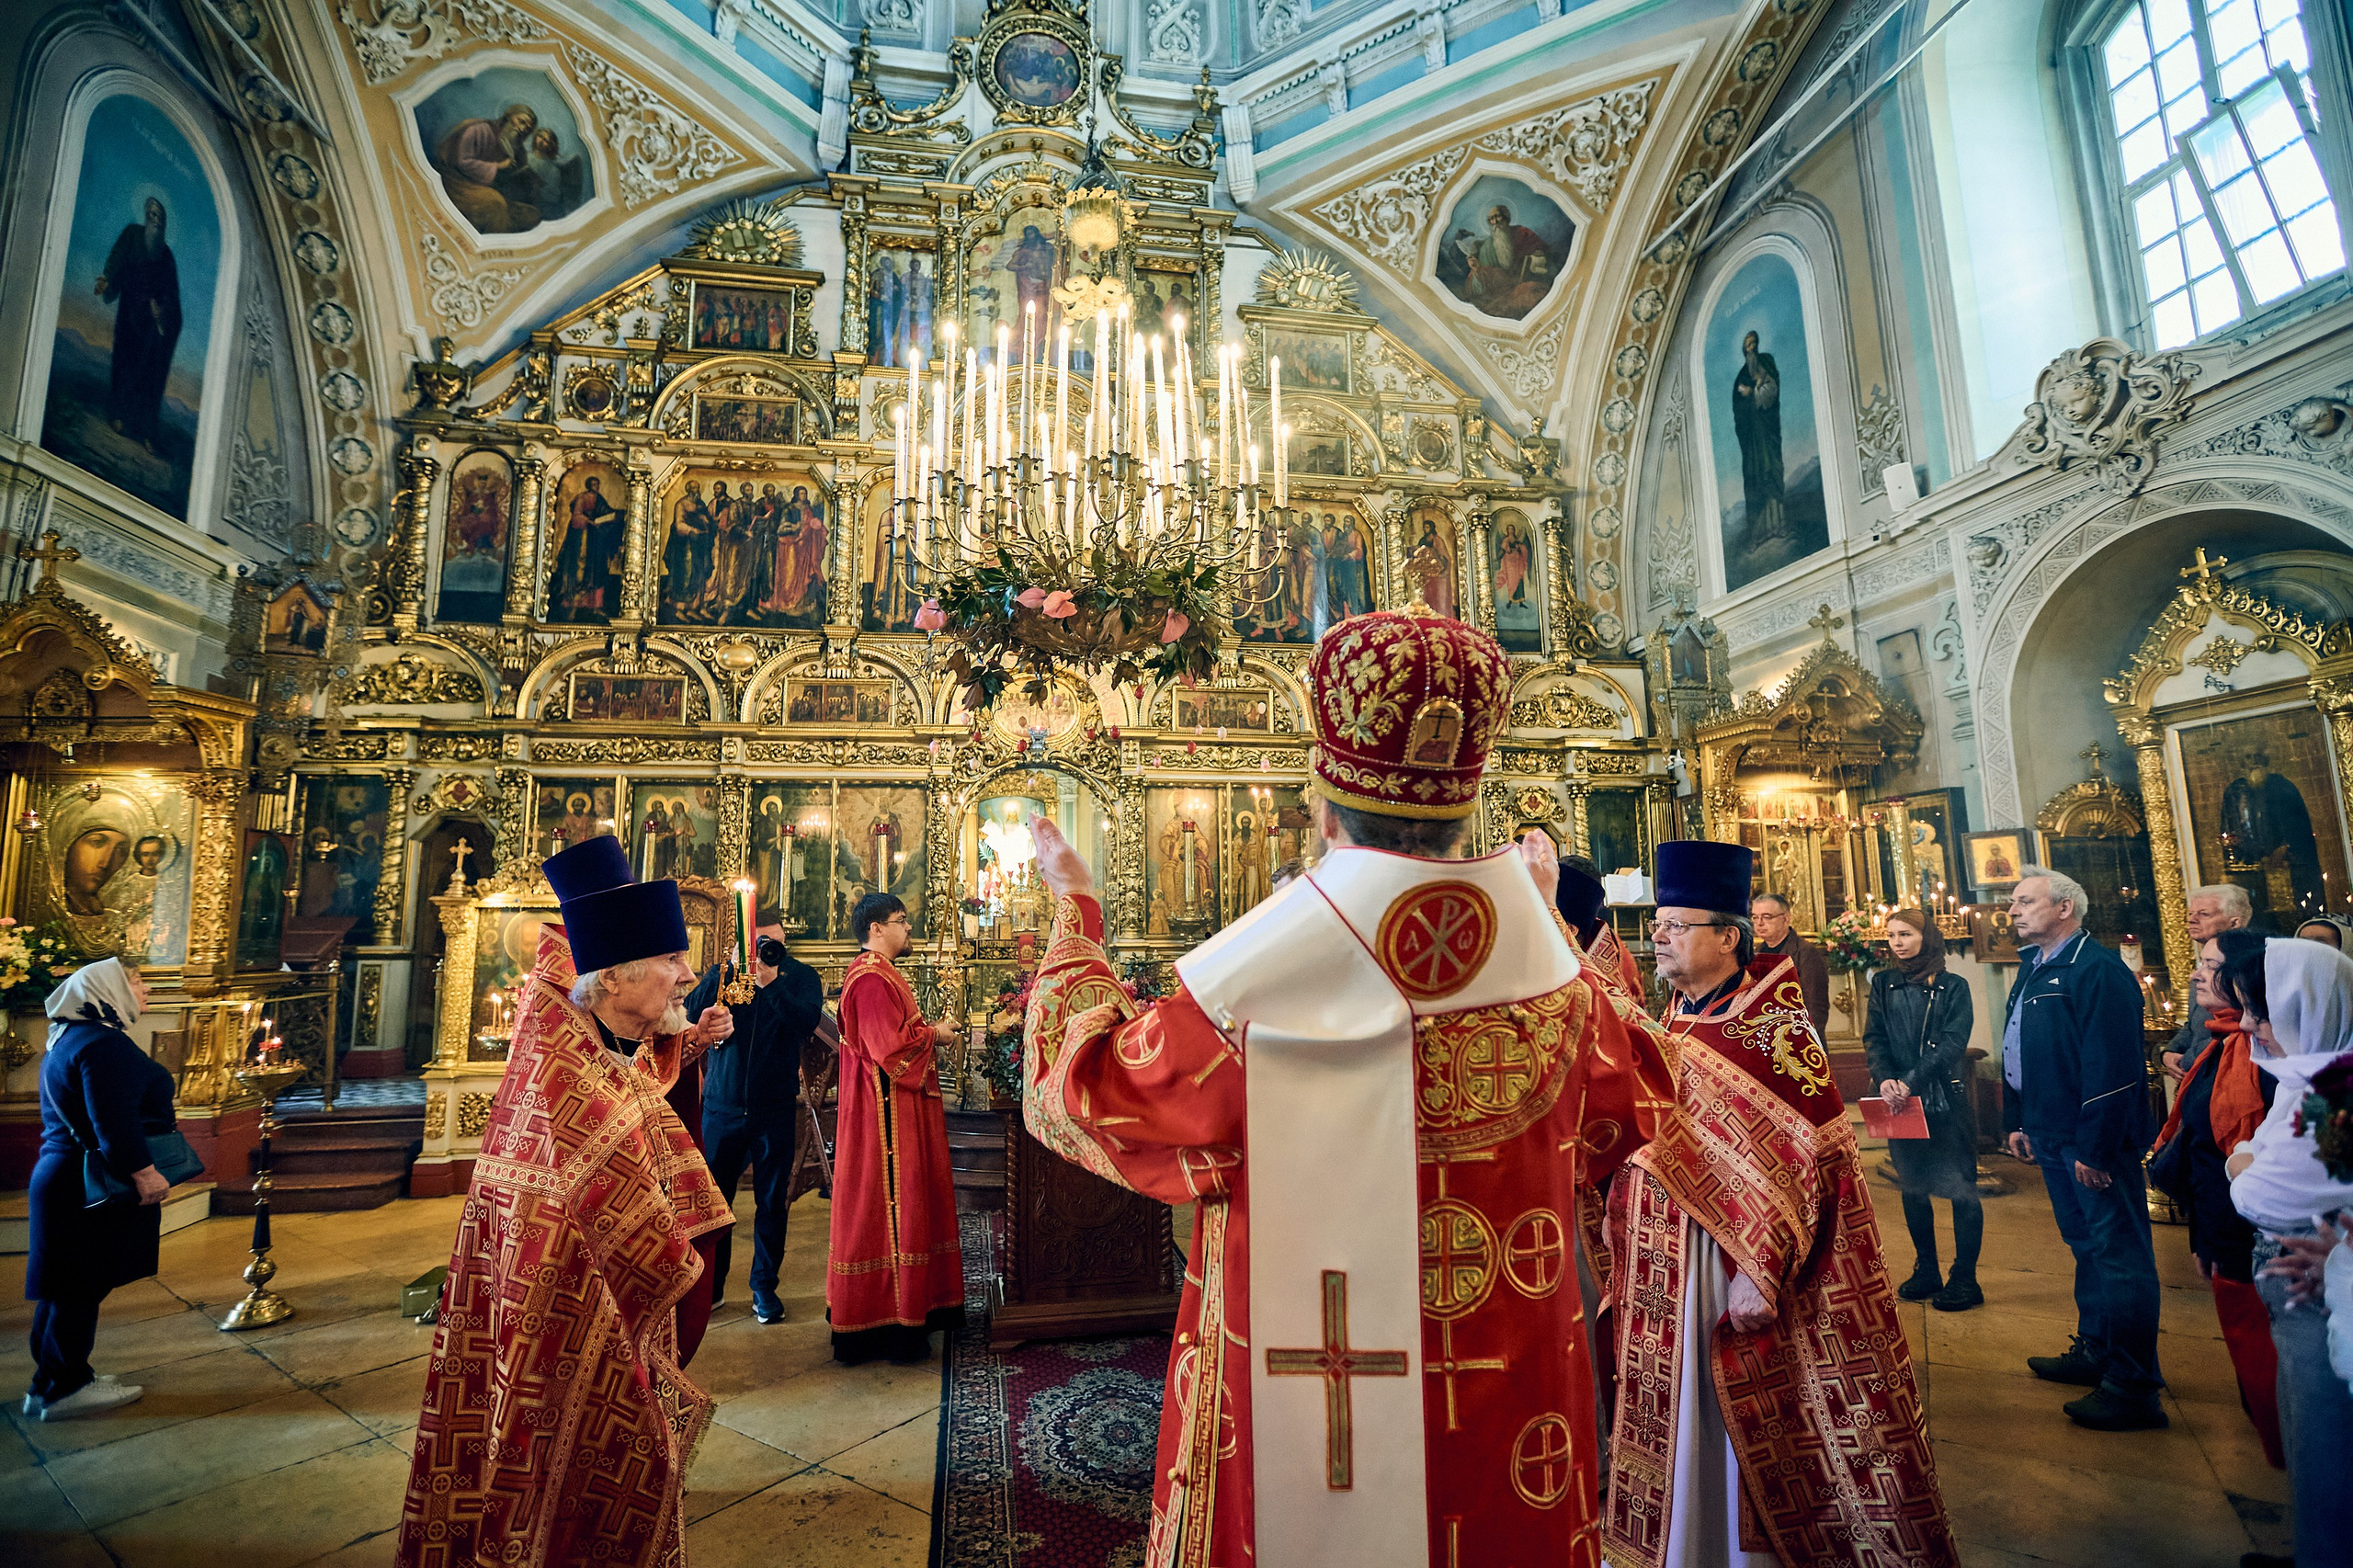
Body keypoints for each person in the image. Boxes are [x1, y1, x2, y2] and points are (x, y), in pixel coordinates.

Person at [1019, 607, 1671, 1566]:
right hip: (1513, 1389)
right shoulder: (1560, 988)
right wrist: (1547, 930)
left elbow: (1084, 1092)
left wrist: (1077, 914)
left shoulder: (1248, 994)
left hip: (1303, 1378)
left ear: (1325, 806)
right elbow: (1640, 1102)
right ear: (1468, 801)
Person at [1602, 841, 1956, 1568]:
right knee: (1671, 1417)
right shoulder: (1675, 1018)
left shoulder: (1774, 1034)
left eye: (1675, 925)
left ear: (1727, 938)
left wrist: (1759, 1271)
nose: (1658, 936)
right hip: (1662, 1277)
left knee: (1721, 1419)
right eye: (1658, 924)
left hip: (1721, 1273)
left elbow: (1809, 1169)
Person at [397, 835, 734, 1568]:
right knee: (553, 1469)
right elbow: (625, 1202)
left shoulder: (582, 1042)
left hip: (583, 1315)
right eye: (671, 959)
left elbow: (637, 1086)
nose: (688, 974)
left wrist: (686, 1047)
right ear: (612, 976)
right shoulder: (565, 1070)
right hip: (562, 1318)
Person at [2001, 867, 2165, 1429]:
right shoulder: (2037, 965)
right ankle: (2097, 1350)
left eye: (2025, 901)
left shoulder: (2097, 970)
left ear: (2064, 908)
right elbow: (2020, 1047)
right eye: (2014, 902)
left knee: (2119, 1257)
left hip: (2089, 1140)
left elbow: (2113, 1070)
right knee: (2086, 1247)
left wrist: (2094, 1149)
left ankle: (2133, 1386)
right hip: (2049, 1131)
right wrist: (2019, 1119)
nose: (2013, 910)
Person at [2219, 937, 2353, 1568]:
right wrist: (2247, 1160)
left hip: (2321, 1293)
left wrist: (2242, 1163)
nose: (2248, 1025)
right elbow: (2258, 1155)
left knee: (2328, 1450)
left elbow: (2261, 1192)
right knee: (2304, 1433)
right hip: (2308, 1282)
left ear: (2308, 1006)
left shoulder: (2337, 1093)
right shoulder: (2308, 1077)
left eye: (2260, 1011)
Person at [2150, 928, 2281, 1468]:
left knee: (2268, 1360)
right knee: (2251, 1360)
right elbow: (2202, 1148)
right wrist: (2202, 1235)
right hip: (2221, 1223)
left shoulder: (2268, 1054)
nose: (2196, 973)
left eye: (2210, 965)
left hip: (2257, 1233)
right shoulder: (2221, 1041)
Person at [23, 959, 167, 1422]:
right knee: (80, 1285)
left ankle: (51, 1382)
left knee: (64, 1286)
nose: (145, 990)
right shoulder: (105, 1044)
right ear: (107, 990)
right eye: (136, 982)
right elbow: (114, 1123)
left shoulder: (70, 1036)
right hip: (85, 1180)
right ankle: (66, 1391)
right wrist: (145, 1173)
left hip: (62, 1174)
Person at [828, 892, 963, 1363]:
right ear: (876, 928)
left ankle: (913, 1308)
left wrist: (926, 1032)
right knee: (887, 1206)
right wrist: (935, 1035)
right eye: (901, 920)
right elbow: (890, 1049)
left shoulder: (880, 972)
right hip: (883, 1117)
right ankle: (888, 1320)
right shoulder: (869, 978)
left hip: (897, 1109)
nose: (908, 928)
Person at [683, 932, 824, 1324]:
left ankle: (764, 1287)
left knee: (772, 1201)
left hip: (774, 1107)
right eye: (756, 942)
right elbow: (690, 1012)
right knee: (715, 1204)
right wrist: (726, 969)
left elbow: (806, 1022)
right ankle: (712, 1287)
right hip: (722, 1106)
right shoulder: (726, 974)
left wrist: (772, 984)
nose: (763, 949)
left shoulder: (800, 976)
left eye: (771, 943)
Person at [1866, 909, 1985, 1312]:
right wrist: (1885, 1079)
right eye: (1891, 935)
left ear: (1927, 936)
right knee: (1913, 1187)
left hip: (1945, 1100)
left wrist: (1910, 1081)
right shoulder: (1883, 983)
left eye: (1905, 934)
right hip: (1896, 1101)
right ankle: (1927, 1269)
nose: (1897, 942)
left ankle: (1965, 1279)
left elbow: (1953, 1043)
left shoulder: (1954, 986)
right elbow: (1874, 1038)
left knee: (1961, 1189)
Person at [95, 198, 182, 449]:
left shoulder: (166, 256)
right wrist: (107, 279)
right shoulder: (132, 234)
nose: (155, 219)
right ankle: (119, 415)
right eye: (151, 214)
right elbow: (116, 258)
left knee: (150, 374)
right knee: (125, 364)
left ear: (164, 222)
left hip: (152, 326)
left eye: (159, 216)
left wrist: (162, 311)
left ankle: (145, 430)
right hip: (129, 314)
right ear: (145, 216)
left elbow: (171, 295)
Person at [2165, 884, 2253, 1080]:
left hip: (2231, 1073)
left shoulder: (2246, 969)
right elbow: (2195, 1023)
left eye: (2204, 914)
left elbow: (2235, 1029)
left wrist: (2188, 1059)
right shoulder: (2202, 968)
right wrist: (2169, 1052)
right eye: (2190, 913)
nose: (2191, 919)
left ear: (2235, 923)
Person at [1750, 892, 1830, 1034]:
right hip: (1764, 1034)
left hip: (1797, 1035)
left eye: (1767, 917)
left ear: (1786, 919)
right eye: (1755, 917)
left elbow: (1816, 1005)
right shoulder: (1756, 953)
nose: (1759, 923)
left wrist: (1806, 1037)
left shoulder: (1805, 952)